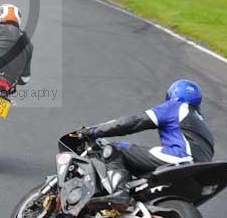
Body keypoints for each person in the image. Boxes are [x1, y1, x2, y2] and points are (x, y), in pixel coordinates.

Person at [77, 80, 214, 203]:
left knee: (114, 149)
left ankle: (120, 193)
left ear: (172, 94)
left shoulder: (176, 107)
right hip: (198, 171)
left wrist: (92, 131)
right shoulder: (204, 126)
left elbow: (134, 122)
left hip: (177, 159)